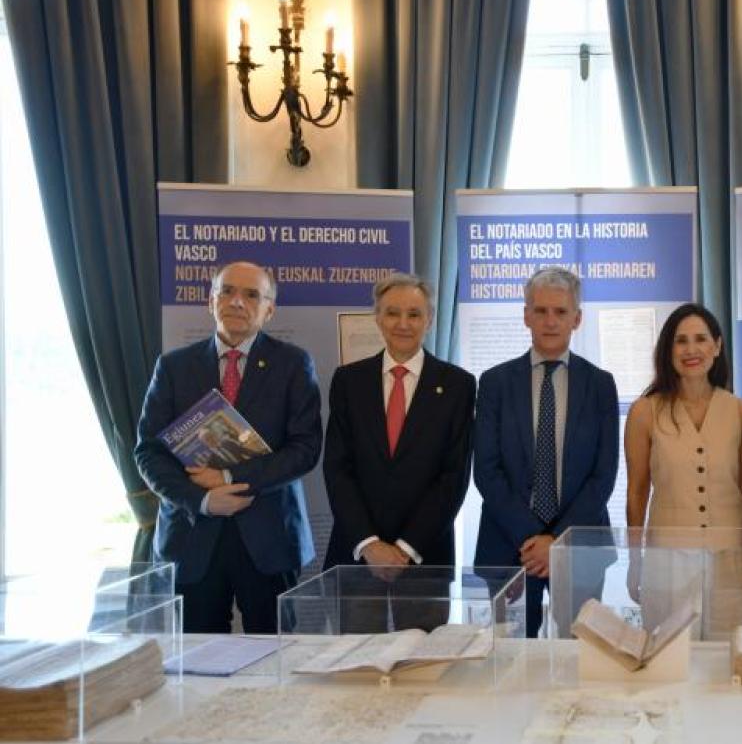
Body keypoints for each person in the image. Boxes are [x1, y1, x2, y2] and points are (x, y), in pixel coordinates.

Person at [135, 261, 321, 633]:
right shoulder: (172, 367)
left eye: (252, 295)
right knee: (201, 657)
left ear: (269, 310)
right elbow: (149, 453)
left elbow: (304, 450)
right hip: (191, 535)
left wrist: (228, 478)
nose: (237, 301)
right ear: (211, 301)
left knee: (273, 653)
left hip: (270, 538)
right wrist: (202, 499)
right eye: (228, 291)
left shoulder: (294, 364)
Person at [321, 273, 475, 631]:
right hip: (358, 557)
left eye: (414, 314)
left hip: (425, 558)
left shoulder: (458, 385)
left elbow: (453, 477)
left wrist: (406, 547)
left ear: (430, 319)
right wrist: (370, 544)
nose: (403, 324)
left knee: (422, 661)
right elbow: (338, 469)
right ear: (377, 317)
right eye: (392, 313)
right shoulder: (348, 381)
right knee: (358, 661)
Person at [473, 267, 619, 637]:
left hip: (580, 547)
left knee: (581, 651)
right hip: (510, 547)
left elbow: (603, 474)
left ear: (577, 318)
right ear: (526, 316)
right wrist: (534, 539)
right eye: (540, 311)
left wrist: (557, 543)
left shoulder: (601, 385)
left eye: (560, 311)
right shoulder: (494, 383)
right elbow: (487, 470)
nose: (550, 321)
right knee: (510, 657)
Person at [624, 303, 742, 638]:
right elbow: (637, 493)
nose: (691, 350)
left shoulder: (741, 412)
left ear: (717, 346)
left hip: (730, 559)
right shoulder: (645, 412)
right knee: (670, 653)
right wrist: (635, 561)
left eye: (700, 339)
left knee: (730, 653)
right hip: (667, 559)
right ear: (668, 350)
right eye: (680, 341)